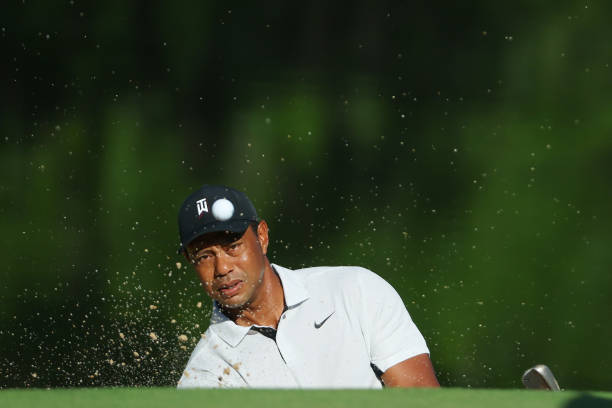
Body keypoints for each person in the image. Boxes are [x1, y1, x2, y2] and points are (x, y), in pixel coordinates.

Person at [176, 184, 439, 389]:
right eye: (204, 256)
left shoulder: (354, 290)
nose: (222, 268)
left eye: (233, 246)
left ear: (262, 237)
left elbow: (418, 394)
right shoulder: (205, 375)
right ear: (190, 261)